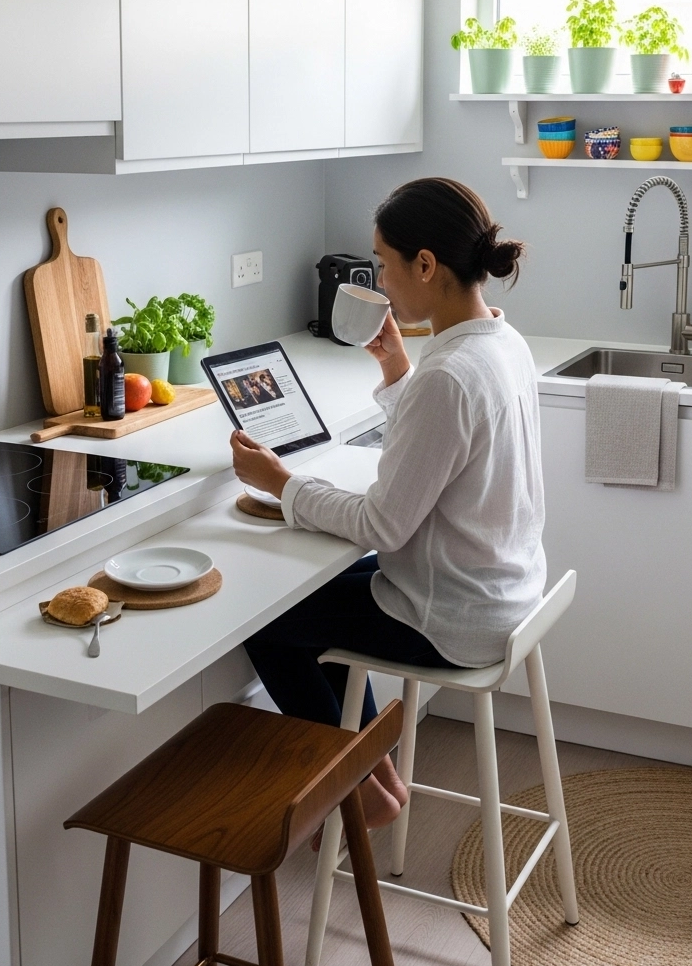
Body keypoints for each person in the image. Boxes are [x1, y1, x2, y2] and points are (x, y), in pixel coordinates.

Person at [231, 177, 546, 834]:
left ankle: (354, 787)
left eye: (382, 263)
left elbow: (383, 524)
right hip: (502, 590)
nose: (379, 280)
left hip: (452, 614)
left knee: (268, 622)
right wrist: (399, 373)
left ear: (425, 265)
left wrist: (281, 483)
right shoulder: (501, 342)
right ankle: (374, 772)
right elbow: (447, 449)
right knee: (315, 598)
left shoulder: (450, 374)